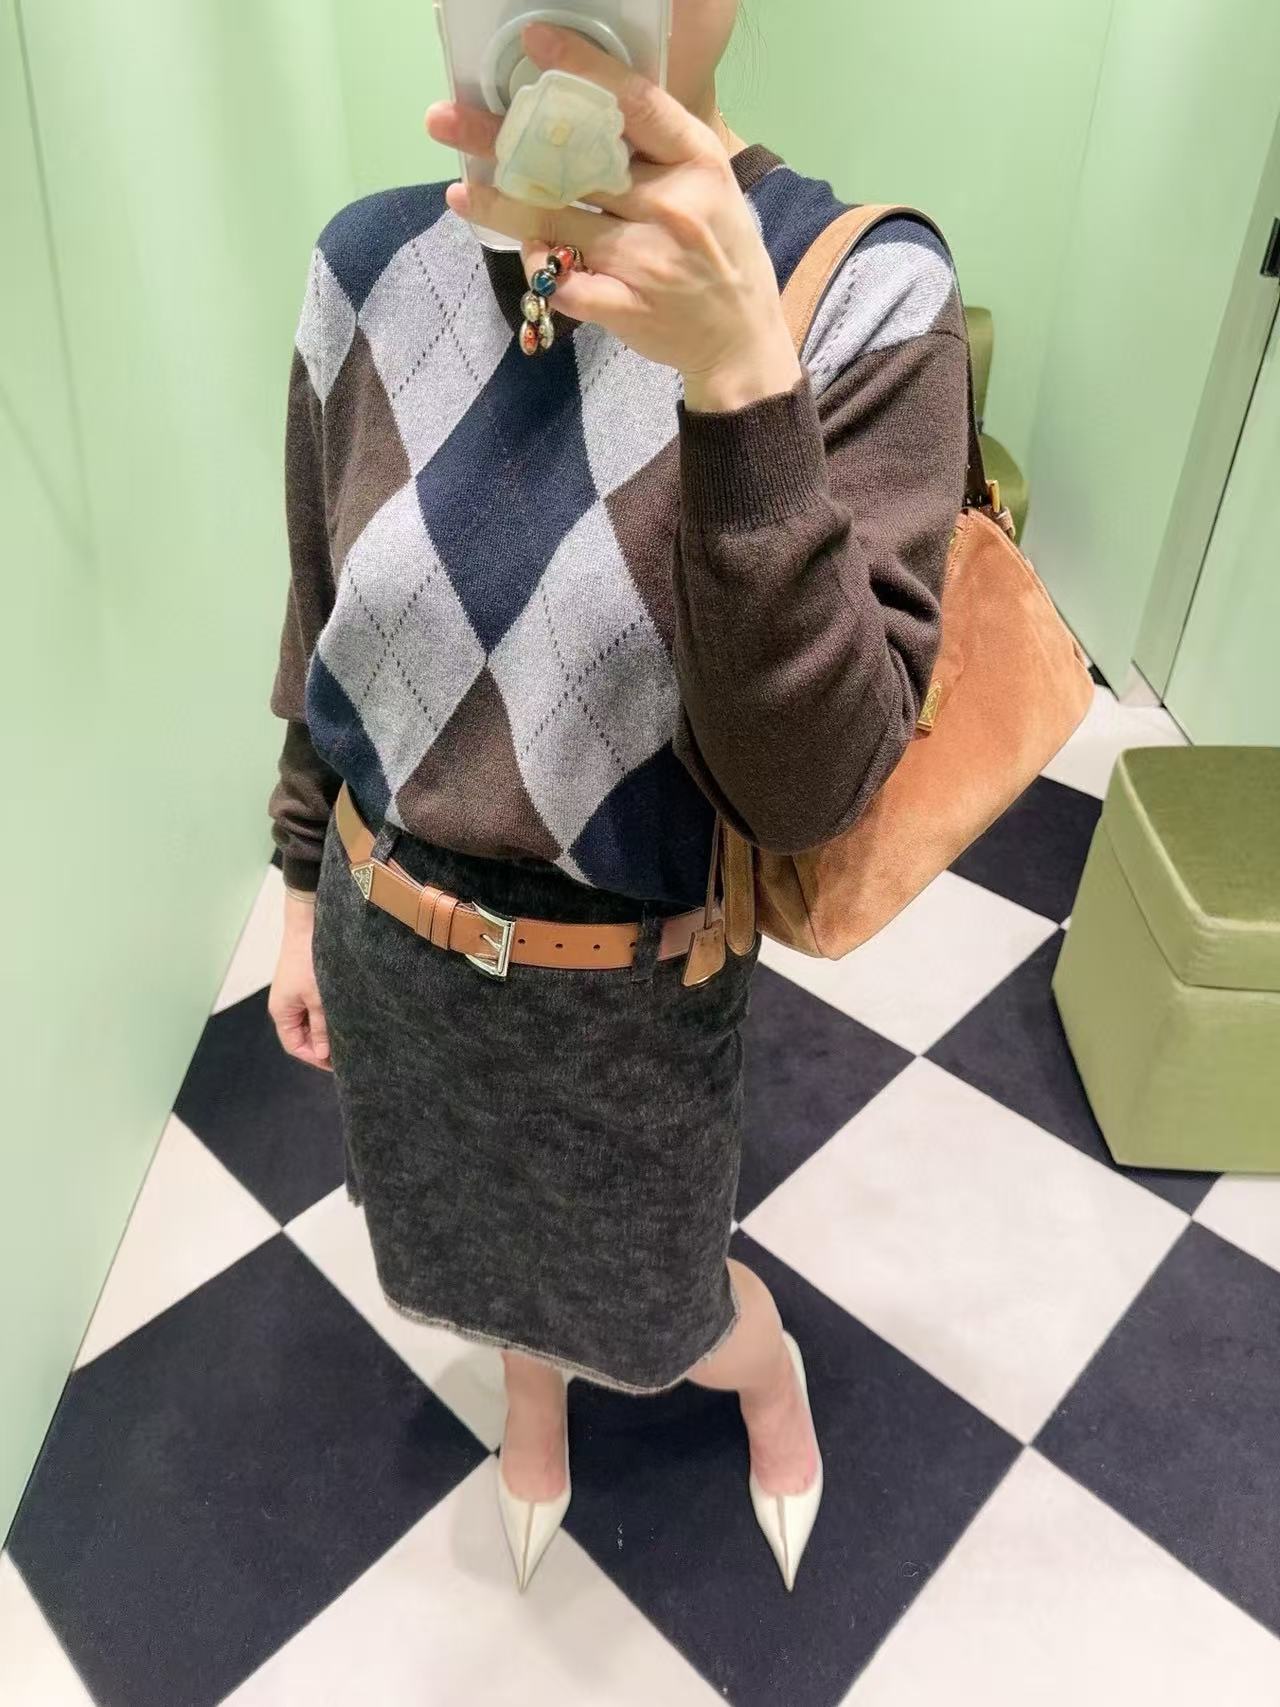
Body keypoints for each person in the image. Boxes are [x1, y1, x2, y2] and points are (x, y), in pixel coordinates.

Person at [266, 5, 969, 1593]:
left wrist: (738, 382)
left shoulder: (860, 292)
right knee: (475, 1267)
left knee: (662, 1308)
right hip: (391, 952)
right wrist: (299, 885)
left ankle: (764, 1374)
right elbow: (322, 615)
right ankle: (534, 1410)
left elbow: (809, 790)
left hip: (628, 996)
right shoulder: (369, 263)